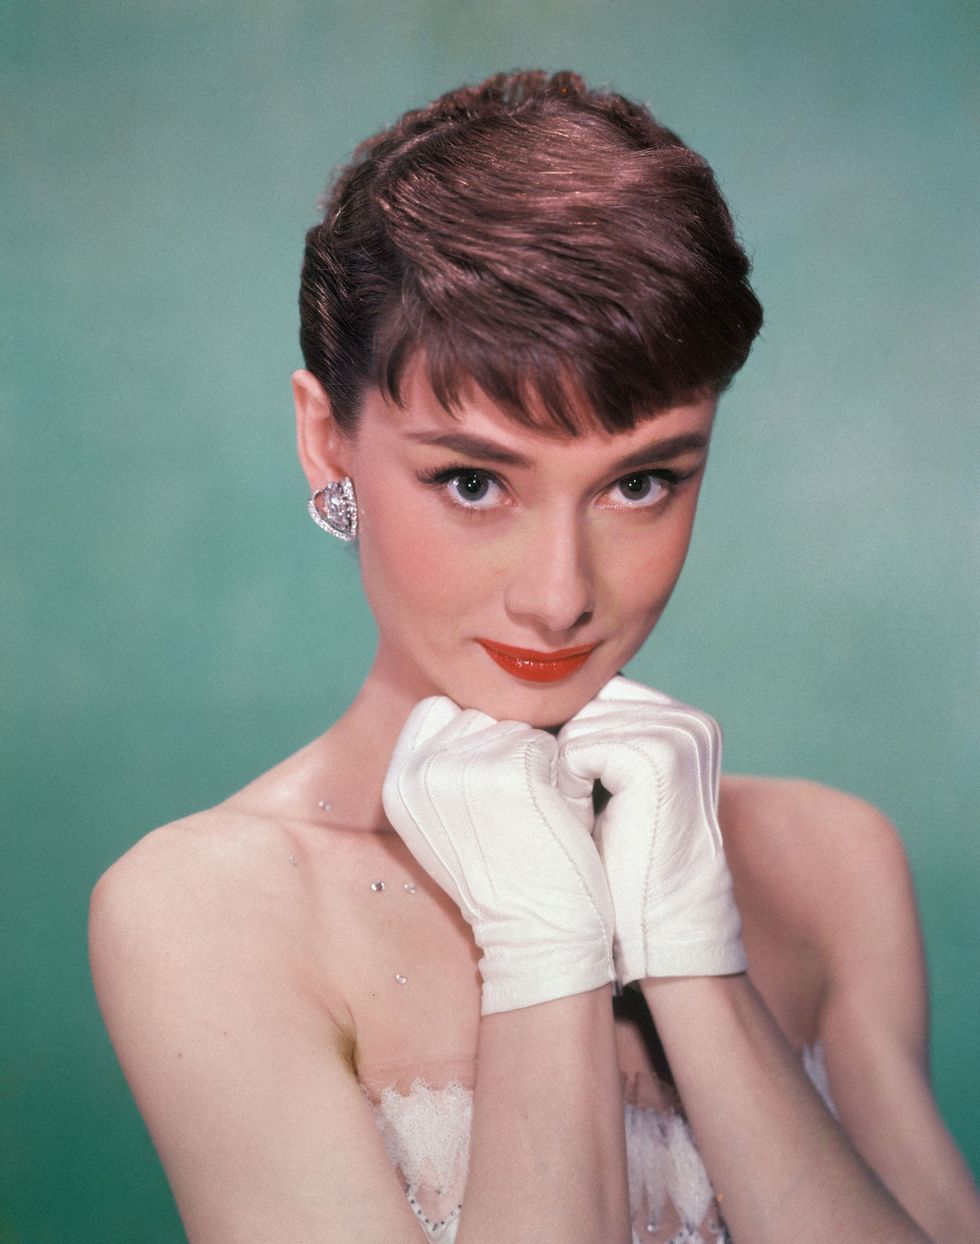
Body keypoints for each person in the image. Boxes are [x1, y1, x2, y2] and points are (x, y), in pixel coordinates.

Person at [89, 71, 980, 1243]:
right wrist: (542, 940)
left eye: (639, 481)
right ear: (327, 440)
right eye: (473, 481)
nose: (559, 596)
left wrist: (690, 960)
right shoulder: (208, 908)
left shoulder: (828, 862)